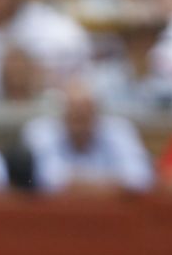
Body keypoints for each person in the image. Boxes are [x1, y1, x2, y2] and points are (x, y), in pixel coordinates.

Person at [20, 80, 154, 195]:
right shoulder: (41, 131)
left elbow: (140, 178)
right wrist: (114, 184)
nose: (80, 119)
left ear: (97, 113)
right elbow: (47, 179)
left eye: (85, 113)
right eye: (74, 113)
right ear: (63, 113)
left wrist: (76, 183)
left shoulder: (119, 130)